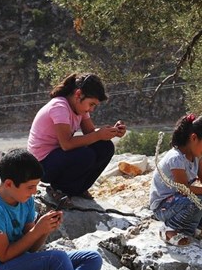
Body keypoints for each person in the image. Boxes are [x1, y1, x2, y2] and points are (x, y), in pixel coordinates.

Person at [26, 72, 127, 208]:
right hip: (42, 164)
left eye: (94, 106)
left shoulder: (80, 109)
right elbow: (67, 144)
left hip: (58, 157)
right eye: (91, 104)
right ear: (78, 94)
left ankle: (77, 189)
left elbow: (91, 133)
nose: (91, 109)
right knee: (86, 154)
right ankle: (58, 189)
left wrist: (111, 132)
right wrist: (98, 135)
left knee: (105, 147)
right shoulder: (60, 107)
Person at [149, 114, 202, 246]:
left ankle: (196, 228)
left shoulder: (196, 156)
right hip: (163, 207)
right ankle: (169, 230)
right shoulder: (176, 159)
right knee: (199, 200)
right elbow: (184, 189)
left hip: (179, 202)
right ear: (194, 138)